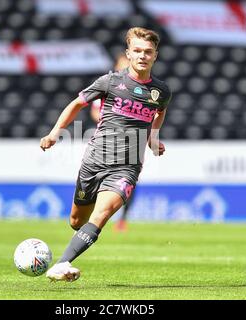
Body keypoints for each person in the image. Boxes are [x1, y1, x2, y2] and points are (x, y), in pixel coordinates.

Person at [40, 27, 171, 282]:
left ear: (155, 55)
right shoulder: (110, 82)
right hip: (95, 160)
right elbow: (78, 103)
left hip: (128, 167)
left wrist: (153, 138)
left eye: (148, 52)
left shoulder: (161, 91)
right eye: (137, 51)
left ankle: (61, 264)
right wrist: (55, 132)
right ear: (128, 54)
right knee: (77, 221)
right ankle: (73, 247)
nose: (142, 56)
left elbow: (160, 111)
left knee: (100, 217)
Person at [89, 53, 133, 233]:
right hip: (106, 139)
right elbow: (94, 111)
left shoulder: (137, 89)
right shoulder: (108, 84)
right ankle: (93, 214)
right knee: (98, 177)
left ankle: (122, 218)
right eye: (121, 65)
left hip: (130, 141)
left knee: (128, 181)